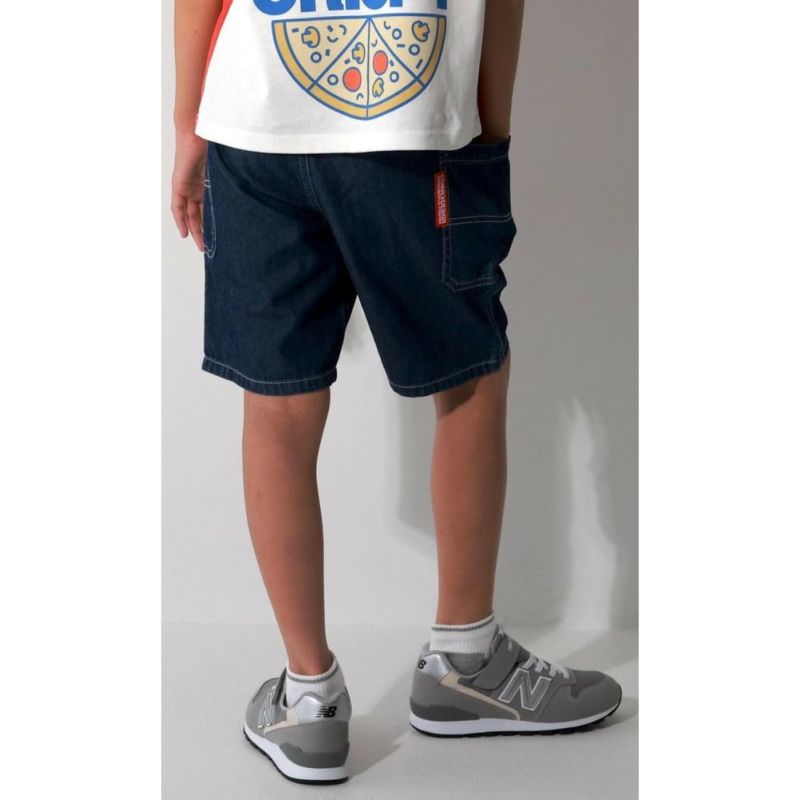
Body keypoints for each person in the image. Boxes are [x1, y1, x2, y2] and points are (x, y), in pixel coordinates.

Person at [172, 0, 621, 785]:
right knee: (470, 378)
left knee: (277, 405)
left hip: (254, 116)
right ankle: (466, 662)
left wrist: (188, 122)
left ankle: (307, 700)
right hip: (412, 119)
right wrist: (489, 127)